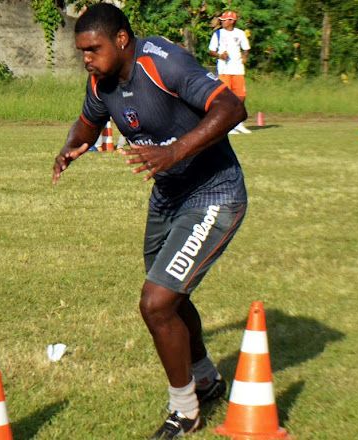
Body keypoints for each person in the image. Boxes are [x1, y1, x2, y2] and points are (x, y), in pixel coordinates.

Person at [52, 4, 248, 439]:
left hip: (214, 192)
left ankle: (185, 412)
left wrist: (175, 151)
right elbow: (87, 124)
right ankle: (206, 380)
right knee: (168, 297)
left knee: (156, 302)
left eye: (92, 48)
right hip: (168, 197)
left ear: (121, 39)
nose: (86, 57)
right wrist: (70, 147)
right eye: (81, 50)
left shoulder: (164, 62)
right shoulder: (102, 82)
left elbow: (232, 108)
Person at [208, 11, 251, 135]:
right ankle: (229, 125)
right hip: (224, 70)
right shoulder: (218, 34)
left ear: (232, 21)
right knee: (227, 98)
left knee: (241, 97)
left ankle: (239, 123)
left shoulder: (240, 33)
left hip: (237, 69)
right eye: (222, 19)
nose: (222, 21)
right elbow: (211, 51)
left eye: (225, 20)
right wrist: (220, 55)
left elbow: (246, 49)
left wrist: (245, 57)